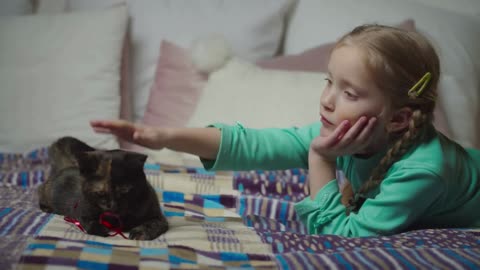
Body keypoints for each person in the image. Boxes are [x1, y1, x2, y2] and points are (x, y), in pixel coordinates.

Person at [90, 24, 480, 237]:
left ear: (397, 120)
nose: (327, 99)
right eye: (329, 81)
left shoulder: (423, 170)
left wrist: (320, 158)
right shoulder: (356, 134)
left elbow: (344, 234)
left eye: (349, 92)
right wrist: (164, 136)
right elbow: (257, 144)